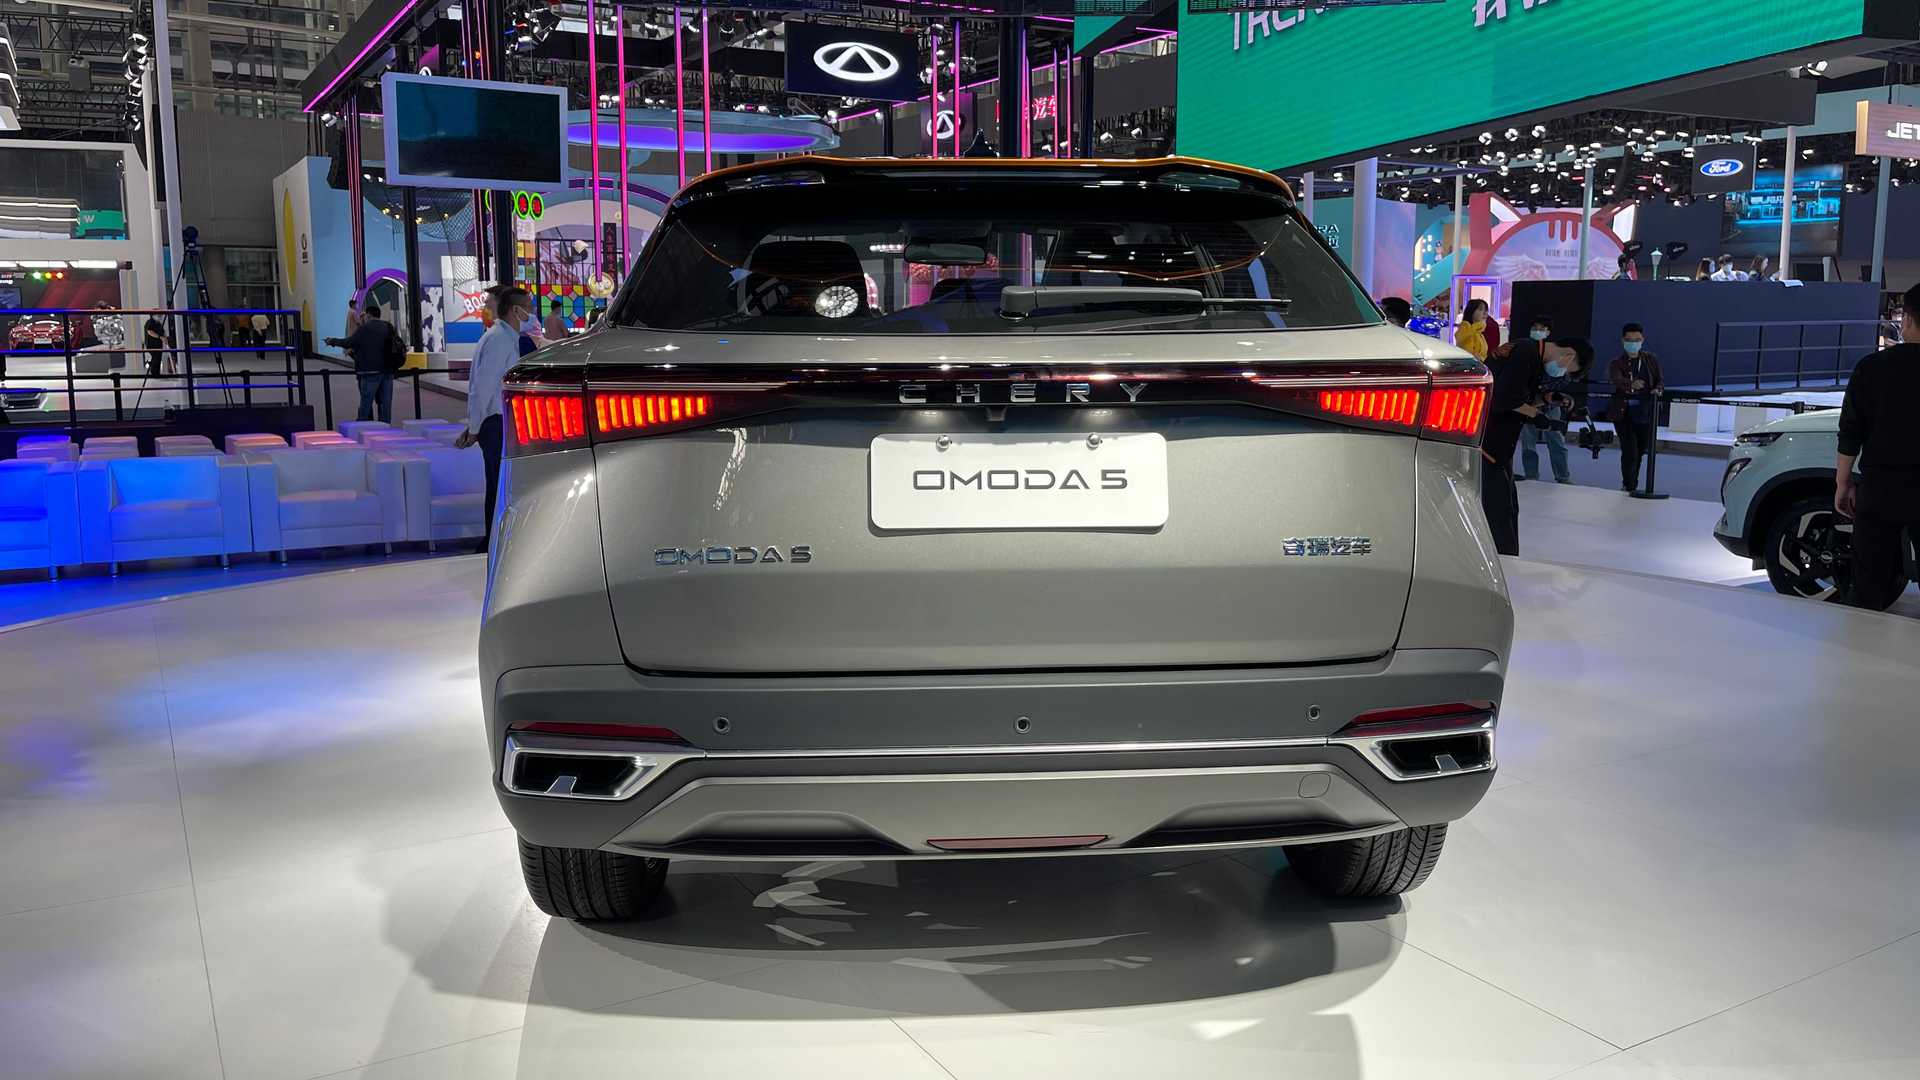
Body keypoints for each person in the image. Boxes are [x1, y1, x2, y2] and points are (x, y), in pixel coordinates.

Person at [1836, 283, 1920, 610]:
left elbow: (1850, 432)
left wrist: (1843, 483)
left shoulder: (1871, 368)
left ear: (1907, 320)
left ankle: (1860, 641)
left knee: (1868, 581)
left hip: (1881, 486)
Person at [458, 285, 531, 550]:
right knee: (500, 487)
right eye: (529, 307)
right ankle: (494, 543)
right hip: (496, 423)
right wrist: (474, 427)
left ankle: (495, 542)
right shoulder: (500, 339)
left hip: (498, 423)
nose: (532, 312)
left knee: (499, 485)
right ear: (515, 310)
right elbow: (483, 387)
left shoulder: (505, 337)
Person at [1481, 325, 1546, 556]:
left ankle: (1506, 556)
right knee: (1499, 508)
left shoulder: (1522, 351)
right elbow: (1506, 399)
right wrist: (1536, 415)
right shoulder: (1525, 352)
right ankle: (1503, 558)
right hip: (1489, 445)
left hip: (1498, 445)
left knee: (1506, 505)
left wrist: (1543, 401)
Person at [1517, 316, 1577, 484]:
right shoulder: (1525, 350)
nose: (1537, 331)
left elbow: (1565, 377)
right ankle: (1531, 476)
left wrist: (1549, 391)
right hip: (1529, 404)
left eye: (1541, 329)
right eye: (1535, 328)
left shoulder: (1554, 353)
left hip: (1551, 404)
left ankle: (1563, 476)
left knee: (1556, 441)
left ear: (1548, 332)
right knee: (1528, 443)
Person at [1607, 323, 1664, 492]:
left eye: (1637, 340)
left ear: (1642, 340)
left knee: (1640, 450)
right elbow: (1616, 379)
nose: (1633, 343)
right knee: (1630, 449)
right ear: (1623, 340)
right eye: (1629, 340)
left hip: (1646, 411)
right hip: (1624, 412)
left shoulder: (1650, 360)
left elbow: (1660, 380)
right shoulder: (1616, 363)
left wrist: (1658, 389)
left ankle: (1633, 483)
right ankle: (1629, 484)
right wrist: (1631, 384)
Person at [324, 302, 399, 423]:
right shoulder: (389, 327)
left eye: (364, 316)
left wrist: (332, 341)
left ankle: (363, 427)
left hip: (369, 371)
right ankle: (385, 428)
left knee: (366, 404)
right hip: (387, 371)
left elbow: (348, 342)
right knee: (385, 404)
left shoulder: (364, 329)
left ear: (368, 315)